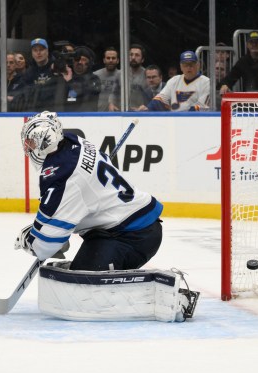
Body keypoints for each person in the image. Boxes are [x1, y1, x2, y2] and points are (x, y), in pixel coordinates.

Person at [15, 112, 197, 322]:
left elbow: (44, 245)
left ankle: (171, 297)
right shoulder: (74, 141)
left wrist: (31, 240)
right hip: (124, 229)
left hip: (132, 236)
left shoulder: (61, 176)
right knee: (76, 278)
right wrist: (54, 231)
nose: (27, 148)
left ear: (44, 141)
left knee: (83, 290)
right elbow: (77, 203)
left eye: (30, 142)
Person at [138, 50, 210, 112]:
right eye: (185, 65)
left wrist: (183, 117)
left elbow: (201, 106)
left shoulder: (206, 82)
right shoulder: (174, 80)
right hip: (175, 120)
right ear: (181, 67)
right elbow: (161, 99)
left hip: (197, 120)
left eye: (191, 64)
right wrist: (148, 108)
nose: (189, 68)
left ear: (198, 65)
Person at [23, 38, 66, 112]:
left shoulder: (57, 68)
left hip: (53, 114)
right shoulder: (28, 73)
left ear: (47, 51)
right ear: (32, 53)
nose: (38, 53)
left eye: (41, 49)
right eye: (35, 50)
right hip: (34, 114)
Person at [110, 44, 148, 111]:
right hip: (122, 113)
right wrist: (111, 104)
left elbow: (152, 96)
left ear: (142, 59)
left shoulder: (147, 75)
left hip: (141, 114)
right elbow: (114, 92)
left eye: (137, 55)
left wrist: (146, 107)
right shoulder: (120, 73)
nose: (133, 57)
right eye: (131, 54)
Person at [63, 46, 101, 112]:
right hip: (65, 119)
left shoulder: (94, 79)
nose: (79, 62)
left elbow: (86, 101)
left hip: (86, 119)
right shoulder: (65, 77)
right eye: (77, 59)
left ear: (89, 63)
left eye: (83, 59)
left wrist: (70, 82)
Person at [93, 47, 120, 111]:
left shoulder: (123, 76)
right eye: (108, 58)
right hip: (98, 115)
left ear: (118, 60)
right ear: (104, 60)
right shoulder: (95, 75)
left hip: (117, 114)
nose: (111, 60)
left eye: (113, 58)